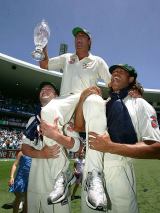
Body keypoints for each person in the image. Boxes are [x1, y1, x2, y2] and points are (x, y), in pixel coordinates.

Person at [39, 26, 111, 210]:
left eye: (82, 36)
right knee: (47, 111)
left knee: (96, 102)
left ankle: (94, 174)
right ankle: (63, 175)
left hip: (86, 98)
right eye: (76, 37)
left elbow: (112, 84)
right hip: (66, 99)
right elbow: (44, 65)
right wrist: (43, 48)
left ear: (89, 41)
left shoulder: (97, 61)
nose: (78, 39)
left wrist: (109, 101)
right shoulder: (67, 58)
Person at [80, 63, 160, 213]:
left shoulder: (140, 104)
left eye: (121, 72)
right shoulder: (100, 104)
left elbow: (156, 149)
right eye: (113, 72)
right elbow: (79, 126)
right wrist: (83, 98)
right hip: (91, 171)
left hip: (118, 169)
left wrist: (111, 147)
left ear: (130, 79)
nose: (115, 73)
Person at [22, 82, 81, 213]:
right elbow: (24, 148)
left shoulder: (66, 120)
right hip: (35, 182)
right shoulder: (33, 120)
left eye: (49, 89)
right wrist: (42, 154)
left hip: (58, 183)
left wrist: (56, 135)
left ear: (57, 97)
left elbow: (78, 148)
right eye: (42, 89)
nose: (44, 90)